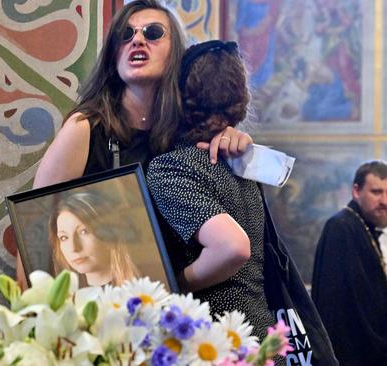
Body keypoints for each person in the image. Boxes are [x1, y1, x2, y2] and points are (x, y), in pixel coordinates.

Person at [17, 0, 253, 288]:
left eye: (152, 33)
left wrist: (234, 140)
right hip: (100, 308)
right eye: (125, 35)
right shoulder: (85, 128)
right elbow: (35, 230)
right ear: (113, 54)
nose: (137, 40)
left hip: (173, 313)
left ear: (175, 52)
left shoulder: (188, 134)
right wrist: (33, 313)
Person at [145, 40, 276, 340]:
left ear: (177, 97)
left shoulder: (172, 167)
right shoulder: (241, 164)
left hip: (217, 337)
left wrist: (172, 285)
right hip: (259, 332)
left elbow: (233, 247)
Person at [311, 160, 387, 365]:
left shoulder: (363, 227)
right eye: (377, 192)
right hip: (352, 352)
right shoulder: (341, 227)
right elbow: (343, 307)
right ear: (356, 191)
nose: (385, 201)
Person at [49, 191, 140, 287]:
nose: (73, 248)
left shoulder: (143, 290)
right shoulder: (65, 300)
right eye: (64, 237)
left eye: (84, 231)